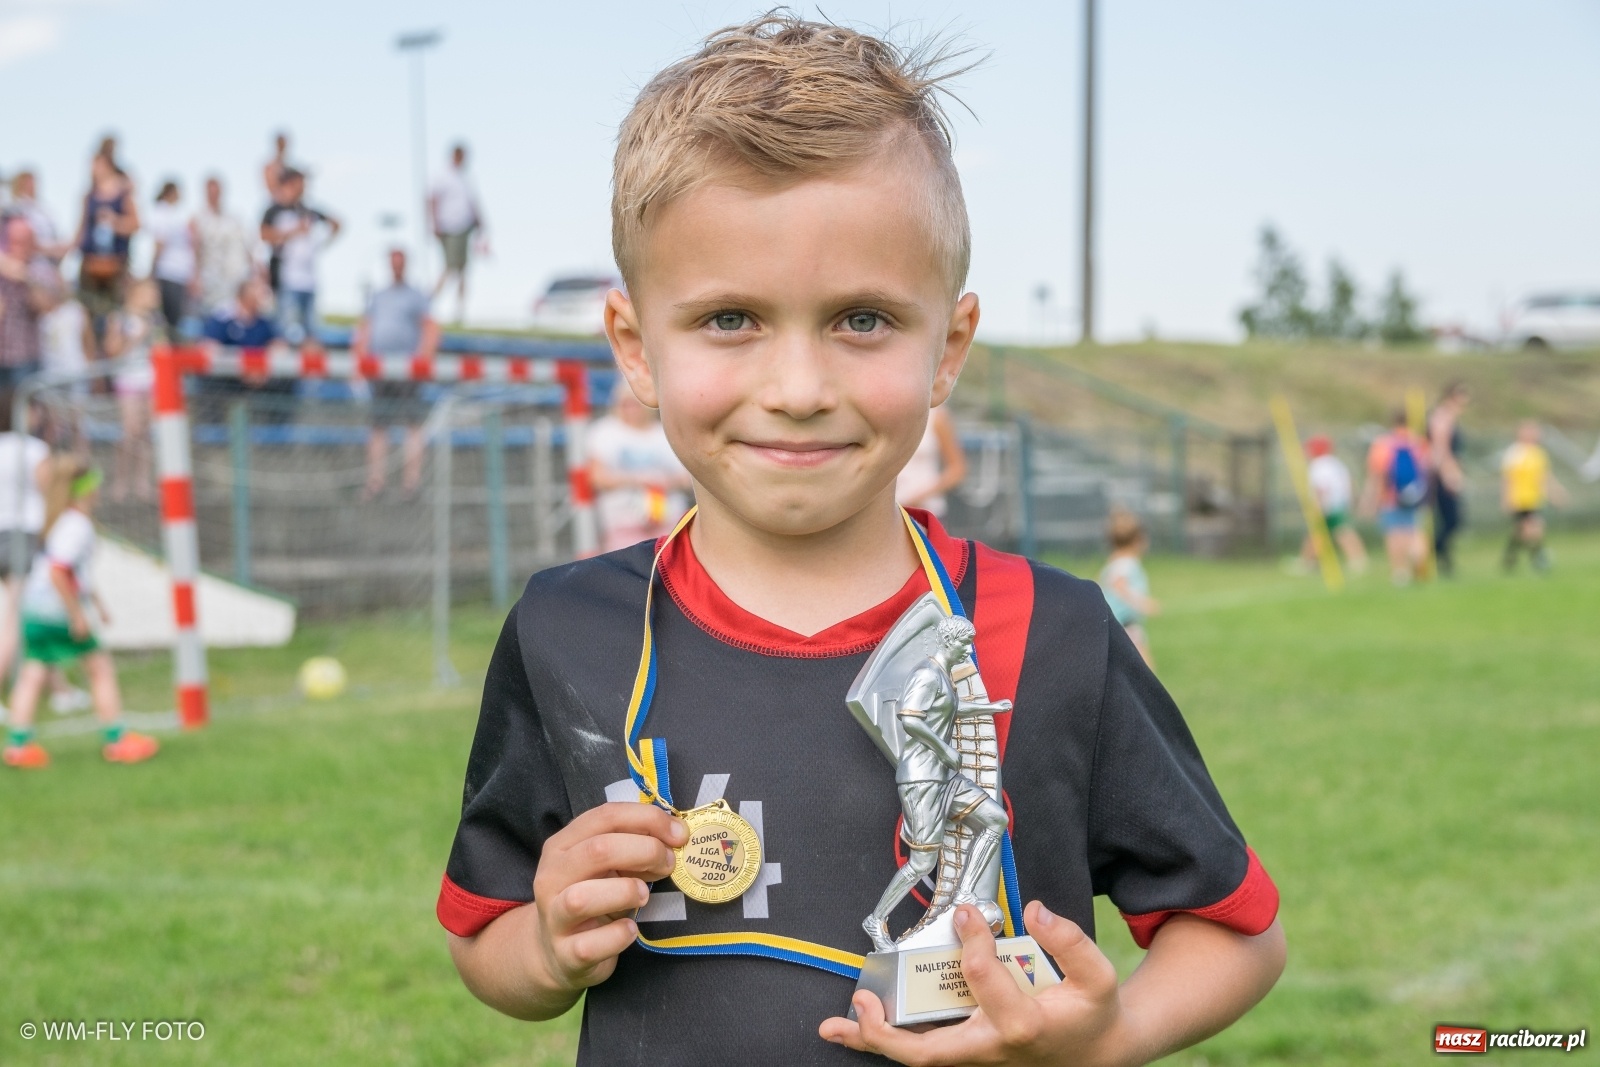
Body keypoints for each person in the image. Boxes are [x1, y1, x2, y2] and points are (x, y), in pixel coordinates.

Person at [437, 16, 1284, 1066]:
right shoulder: (566, 629)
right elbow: (487, 937)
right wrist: (551, 943)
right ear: (634, 347)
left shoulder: (1052, 629)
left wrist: (1107, 1035)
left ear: (948, 349)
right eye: (730, 319)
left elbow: (1237, 932)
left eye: (863, 320)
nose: (797, 390)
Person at [2, 461, 160, 769]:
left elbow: (74, 572)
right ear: (85, 488)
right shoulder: (77, 525)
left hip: (33, 609)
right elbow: (59, 572)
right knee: (100, 669)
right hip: (57, 611)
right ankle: (117, 741)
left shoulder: (57, 522)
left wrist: (97, 604)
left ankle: (18, 745)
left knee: (33, 672)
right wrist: (77, 615)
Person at [355, 249, 438, 500]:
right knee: (378, 426)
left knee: (413, 424)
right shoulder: (378, 297)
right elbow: (365, 329)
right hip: (380, 369)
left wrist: (422, 361)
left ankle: (412, 483)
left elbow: (430, 328)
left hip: (407, 370)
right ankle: (376, 482)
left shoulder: (416, 296)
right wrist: (360, 361)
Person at [586, 386, 692, 551]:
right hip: (623, 523)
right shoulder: (605, 431)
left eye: (635, 404)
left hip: (668, 522)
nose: (631, 409)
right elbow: (597, 477)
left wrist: (665, 482)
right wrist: (637, 480)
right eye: (626, 404)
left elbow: (688, 477)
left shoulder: (664, 432)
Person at [70, 151, 139, 358]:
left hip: (114, 266)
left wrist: (115, 221)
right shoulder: (89, 196)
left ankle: (110, 369)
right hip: (91, 265)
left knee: (114, 319)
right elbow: (80, 232)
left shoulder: (123, 194)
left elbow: (135, 224)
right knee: (86, 319)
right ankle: (92, 372)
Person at [260, 169, 339, 345]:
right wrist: (294, 232)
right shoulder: (275, 211)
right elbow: (264, 235)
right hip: (287, 281)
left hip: (309, 281)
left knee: (312, 335)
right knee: (287, 333)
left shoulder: (308, 211)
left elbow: (336, 223)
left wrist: (321, 243)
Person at [199, 278, 293, 421]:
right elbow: (209, 349)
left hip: (259, 378)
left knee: (285, 383)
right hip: (228, 379)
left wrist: (261, 369)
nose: (263, 295)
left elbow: (280, 346)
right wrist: (241, 369)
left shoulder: (264, 321)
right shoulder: (223, 316)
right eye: (257, 290)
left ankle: (276, 433)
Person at [1358, 409, 1430, 585]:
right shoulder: (1419, 443)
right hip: (1416, 494)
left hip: (1390, 497)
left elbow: (1376, 475)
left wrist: (1368, 501)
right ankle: (1417, 554)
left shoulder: (1383, 444)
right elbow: (1427, 469)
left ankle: (1400, 572)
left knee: (1394, 534)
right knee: (1414, 530)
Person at [0, 218, 64, 412]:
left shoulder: (40, 270)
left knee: (26, 414)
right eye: (13, 240)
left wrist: (24, 276)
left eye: (22, 241)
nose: (16, 246)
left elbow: (48, 305)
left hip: (25, 358)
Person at [104, 277, 160, 500]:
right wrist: (137, 338)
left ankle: (142, 483)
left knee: (145, 434)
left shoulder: (156, 319)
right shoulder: (119, 318)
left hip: (151, 380)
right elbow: (111, 350)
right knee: (130, 432)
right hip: (128, 380)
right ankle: (121, 481)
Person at [429, 143, 486, 323]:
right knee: (450, 268)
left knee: (462, 270)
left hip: (464, 227)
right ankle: (427, 305)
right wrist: (435, 223)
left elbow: (471, 203)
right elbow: (432, 199)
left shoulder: (465, 178)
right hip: (450, 227)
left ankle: (459, 312)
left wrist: (479, 221)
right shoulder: (443, 177)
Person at [1501, 420, 1567, 573]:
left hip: (1535, 498)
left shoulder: (1539, 453)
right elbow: (1508, 478)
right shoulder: (1514, 453)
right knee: (1532, 530)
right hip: (1520, 498)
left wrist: (1556, 493)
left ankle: (1511, 557)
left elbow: (1544, 477)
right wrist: (1507, 498)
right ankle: (1538, 558)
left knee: (1526, 531)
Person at [1098, 509, 1160, 667]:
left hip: (1116, 626)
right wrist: (1143, 603)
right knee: (1146, 669)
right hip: (1126, 625)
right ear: (1138, 540)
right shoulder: (1126, 563)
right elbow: (1119, 585)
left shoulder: (1112, 563)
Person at [1300, 435, 1367, 574]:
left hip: (1328, 505)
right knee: (1321, 534)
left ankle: (1358, 560)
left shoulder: (1319, 465)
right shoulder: (1336, 463)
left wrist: (1318, 506)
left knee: (1340, 533)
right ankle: (1308, 561)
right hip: (1340, 503)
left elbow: (1322, 488)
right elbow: (1349, 482)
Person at [192, 176, 253, 316]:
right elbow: (195, 248)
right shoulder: (198, 218)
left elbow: (246, 245)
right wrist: (195, 276)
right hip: (209, 279)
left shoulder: (234, 218)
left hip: (234, 278)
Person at [1428, 381, 1470, 577]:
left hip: (1447, 472)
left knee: (1451, 520)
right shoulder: (1442, 418)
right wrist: (1449, 475)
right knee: (1451, 519)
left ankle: (1441, 557)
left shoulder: (1451, 418)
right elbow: (1441, 450)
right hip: (1440, 475)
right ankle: (1435, 552)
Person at [146, 179, 197, 341]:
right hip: (168, 272)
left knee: (175, 321)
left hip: (178, 273)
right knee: (168, 321)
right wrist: (151, 270)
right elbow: (160, 243)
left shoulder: (175, 214)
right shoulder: (161, 212)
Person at [894, 402, 965, 517]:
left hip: (925, 511)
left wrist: (919, 497)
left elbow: (957, 469)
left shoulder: (936, 416)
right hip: (890, 514)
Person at [2, 170, 68, 261]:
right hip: (28, 262)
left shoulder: (43, 210)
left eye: (32, 182)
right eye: (27, 182)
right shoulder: (14, 210)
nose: (32, 185)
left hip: (48, 261)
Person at [262, 130, 293, 201]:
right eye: (281, 144)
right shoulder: (270, 167)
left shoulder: (289, 166)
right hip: (276, 201)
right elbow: (270, 185)